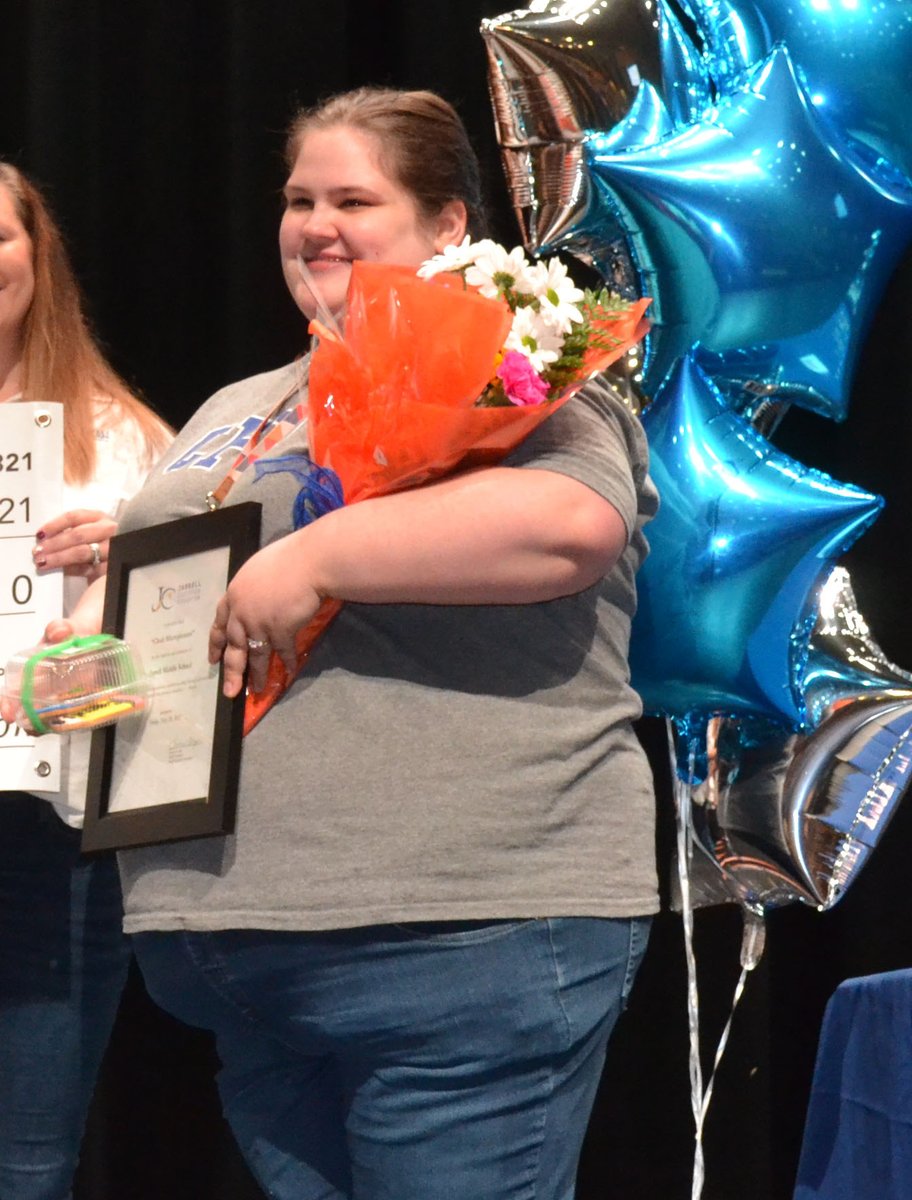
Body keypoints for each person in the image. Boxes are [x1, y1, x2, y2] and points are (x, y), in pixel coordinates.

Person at [46, 88, 659, 1199]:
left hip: (456, 925)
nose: (314, 223)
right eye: (297, 199)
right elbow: (180, 609)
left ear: (448, 228)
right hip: (240, 951)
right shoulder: (240, 401)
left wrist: (319, 559)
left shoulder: (511, 361)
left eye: (353, 199)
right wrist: (91, 659)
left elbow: (569, 529)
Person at [0, 162, 173, 1200]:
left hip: (44, 840)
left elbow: (150, 689)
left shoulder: (122, 445)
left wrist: (123, 578)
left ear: (37, 253)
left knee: (23, 1170)